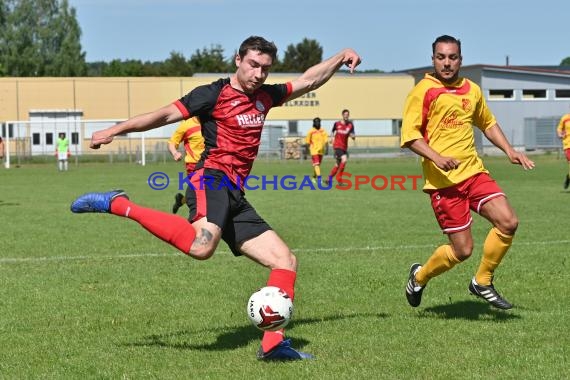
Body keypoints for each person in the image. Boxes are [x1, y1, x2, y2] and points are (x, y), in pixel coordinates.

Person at [70, 36, 361, 360]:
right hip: (210, 179)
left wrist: (340, 56)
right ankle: (119, 203)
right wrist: (115, 130)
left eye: (265, 68)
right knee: (201, 246)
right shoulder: (213, 94)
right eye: (253, 65)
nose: (259, 74)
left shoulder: (266, 95)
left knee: (285, 261)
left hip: (235, 192)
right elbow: (165, 115)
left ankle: (273, 345)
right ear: (238, 59)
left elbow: (309, 80)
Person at [401, 35, 535, 310]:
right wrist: (436, 157)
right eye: (441, 57)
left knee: (508, 221)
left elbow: (487, 123)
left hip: (473, 173)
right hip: (444, 183)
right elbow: (410, 136)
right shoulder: (423, 91)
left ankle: (482, 281)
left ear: (460, 59)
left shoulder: (471, 89)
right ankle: (419, 276)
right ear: (433, 60)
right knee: (463, 250)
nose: (447, 63)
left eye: (452, 57)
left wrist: (510, 150)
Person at [167, 116, 205, 213]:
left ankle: (181, 200)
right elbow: (172, 142)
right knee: (200, 194)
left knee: (208, 192)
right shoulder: (186, 125)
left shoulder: (212, 122)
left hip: (211, 162)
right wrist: (175, 153)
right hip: (194, 165)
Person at [327, 109, 355, 184]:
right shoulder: (336, 124)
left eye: (347, 115)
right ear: (342, 115)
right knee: (344, 159)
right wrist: (331, 138)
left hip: (344, 147)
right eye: (345, 114)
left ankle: (329, 179)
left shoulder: (350, 125)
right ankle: (339, 179)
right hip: (337, 146)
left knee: (338, 164)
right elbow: (332, 131)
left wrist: (353, 136)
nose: (346, 116)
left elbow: (353, 135)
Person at [304, 117, 328, 184]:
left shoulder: (323, 131)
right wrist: (306, 153)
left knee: (317, 165)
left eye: (318, 122)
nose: (317, 123)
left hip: (321, 150)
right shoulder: (311, 131)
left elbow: (326, 141)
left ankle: (314, 178)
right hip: (313, 150)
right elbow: (307, 143)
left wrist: (327, 149)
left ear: (320, 123)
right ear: (313, 123)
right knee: (316, 164)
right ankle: (319, 179)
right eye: (316, 122)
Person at [556, 110, 570, 189]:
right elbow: (559, 129)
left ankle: (568, 177)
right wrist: (560, 134)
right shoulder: (565, 118)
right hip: (568, 146)